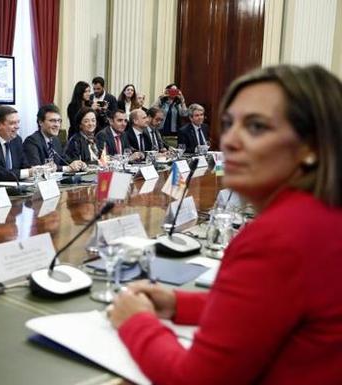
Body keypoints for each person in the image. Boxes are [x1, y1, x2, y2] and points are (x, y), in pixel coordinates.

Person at [108, 64, 342, 384]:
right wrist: (177, 304)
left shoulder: (279, 237)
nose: (230, 140)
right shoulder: (322, 216)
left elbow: (196, 380)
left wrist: (134, 322)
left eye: (256, 127)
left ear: (311, 146)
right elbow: (263, 310)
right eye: (229, 124)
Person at [23, 104, 86, 172]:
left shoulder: (55, 140)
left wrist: (77, 164)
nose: (57, 125)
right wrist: (66, 168)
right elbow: (37, 168)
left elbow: (64, 160)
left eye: (59, 121)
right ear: (40, 122)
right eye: (52, 121)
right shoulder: (32, 141)